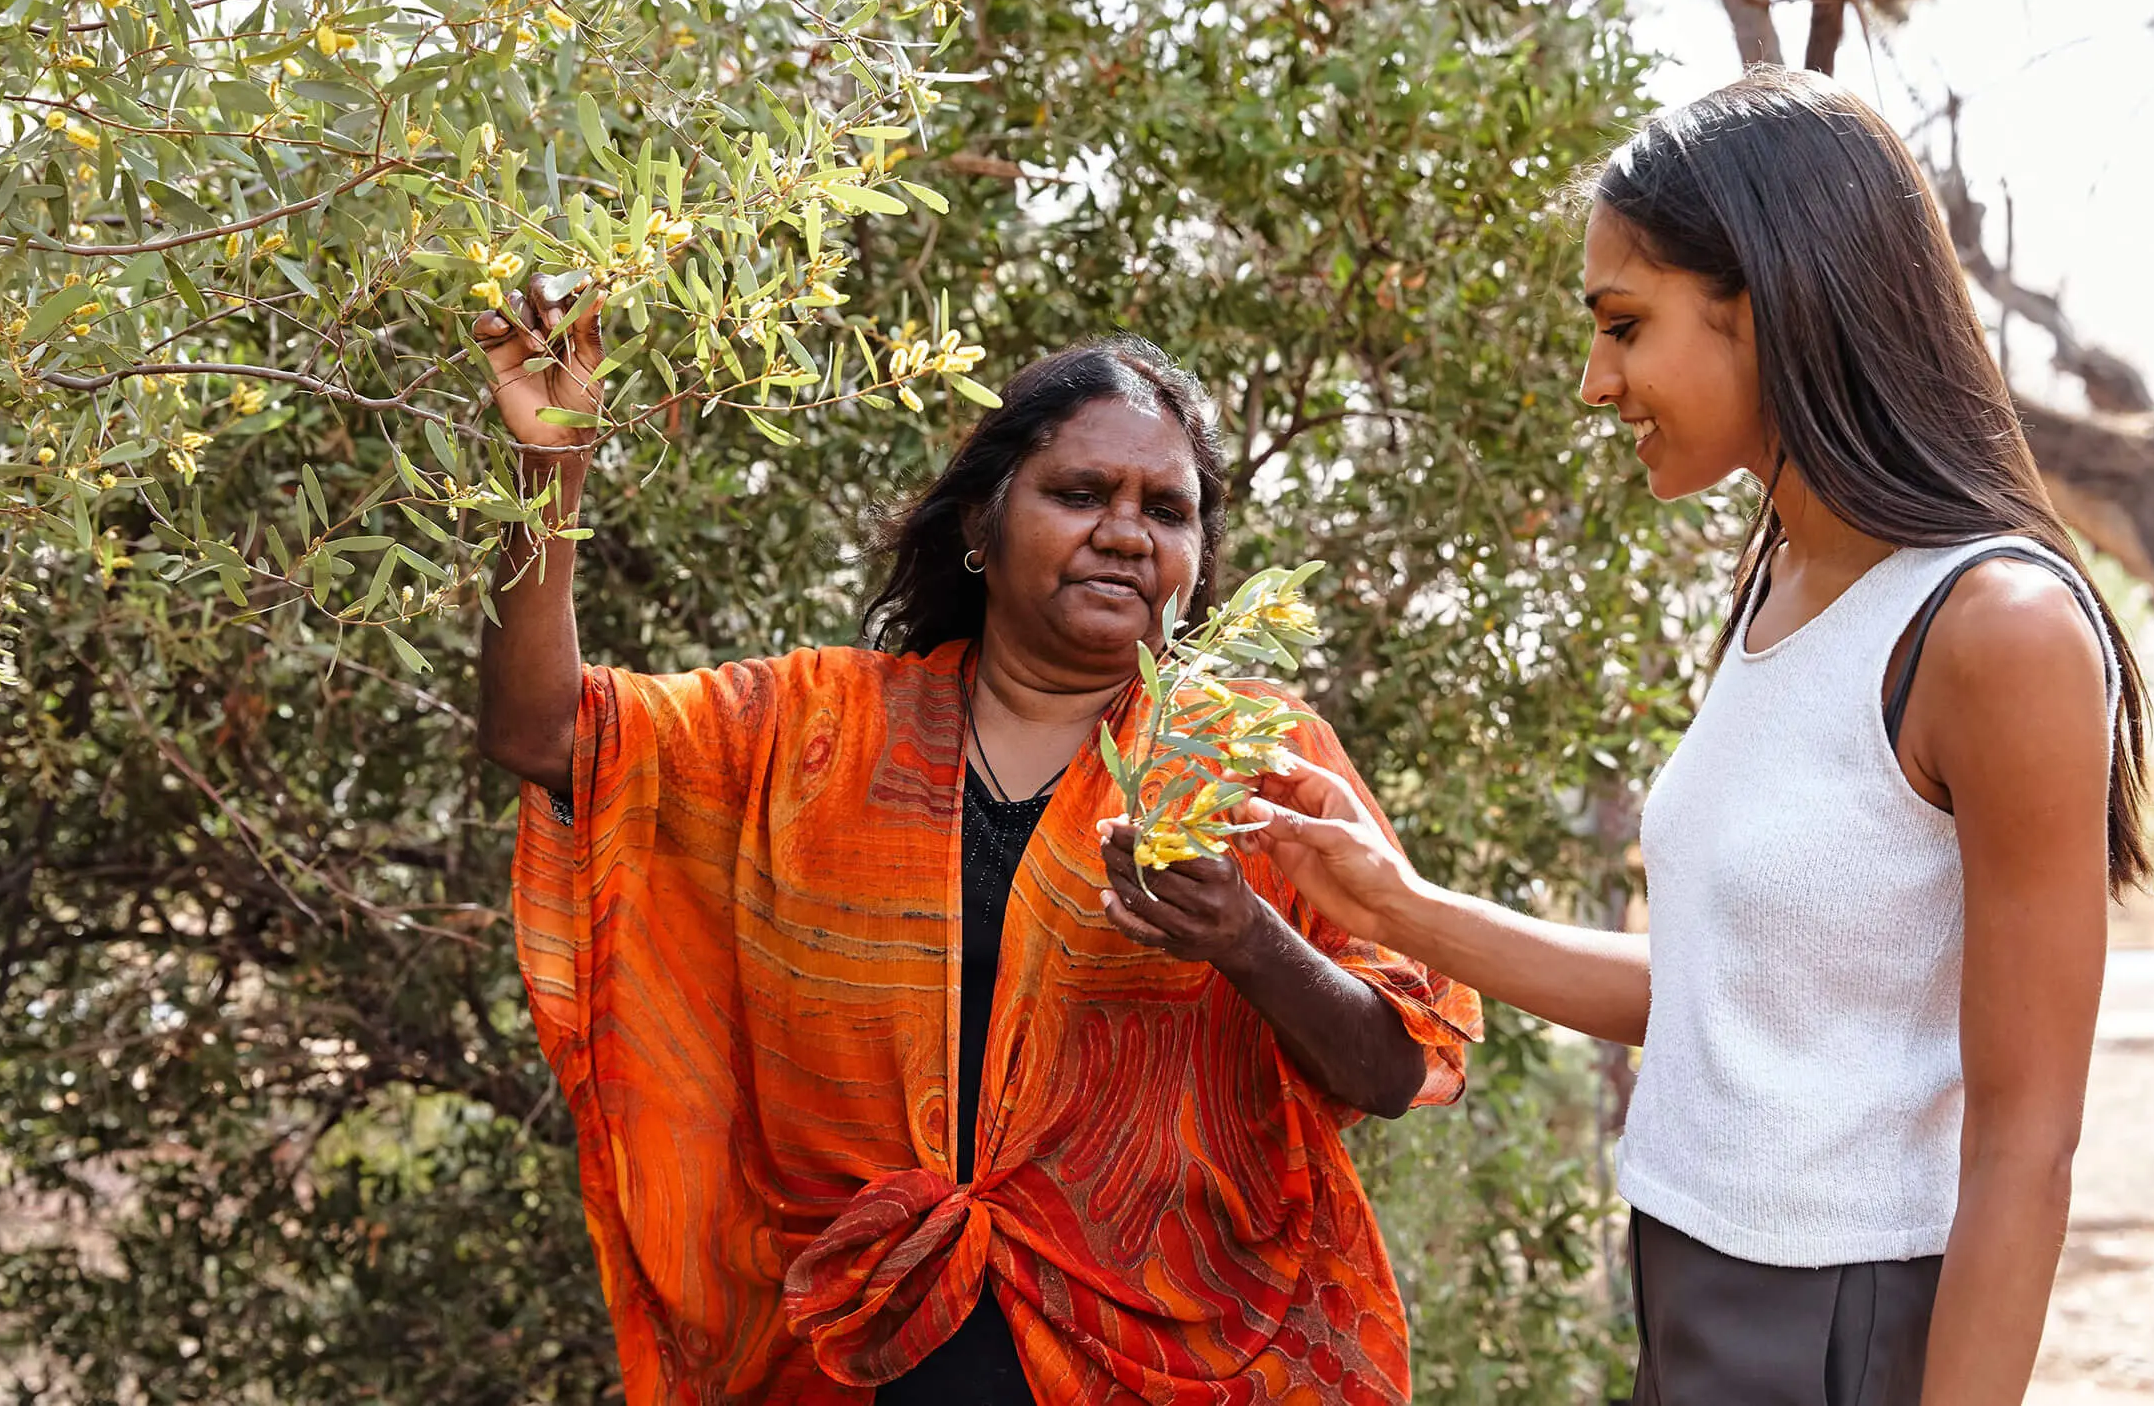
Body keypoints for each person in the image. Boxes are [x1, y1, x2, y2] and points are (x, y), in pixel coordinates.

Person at [1235, 68, 2150, 1406]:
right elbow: (1727, 991)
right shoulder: (1783, 576)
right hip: (1700, 1284)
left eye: (1623, 324)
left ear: (1768, 305)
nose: (1596, 382)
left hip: (1846, 1321)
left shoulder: (1994, 629)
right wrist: (1399, 908)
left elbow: (2028, 1142)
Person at [473, 314, 1483, 1404]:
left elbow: (1391, 1064)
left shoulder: (1255, 762)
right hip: (864, 1346)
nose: (1127, 533)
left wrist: (1248, 936)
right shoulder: (814, 732)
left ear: (1198, 564)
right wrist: (550, 467)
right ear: (980, 526)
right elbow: (543, 733)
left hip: (1184, 1360)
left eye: (1168, 510)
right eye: (1081, 493)